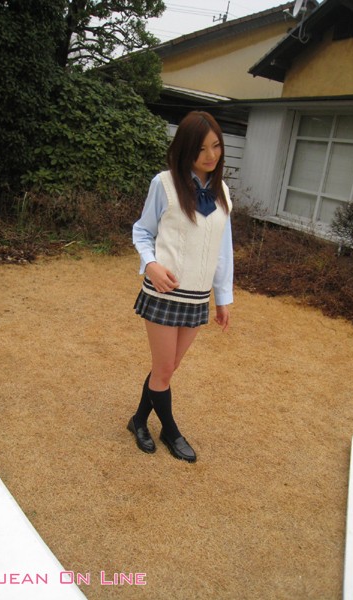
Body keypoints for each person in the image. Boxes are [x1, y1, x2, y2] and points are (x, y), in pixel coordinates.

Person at [128, 111, 234, 463]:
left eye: (216, 146)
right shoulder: (164, 184)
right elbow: (142, 231)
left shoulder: (223, 193)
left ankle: (138, 420)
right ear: (185, 148)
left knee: (168, 368)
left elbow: (223, 249)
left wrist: (223, 299)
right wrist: (151, 265)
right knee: (163, 370)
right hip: (163, 294)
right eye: (201, 148)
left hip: (197, 298)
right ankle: (171, 431)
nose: (210, 155)